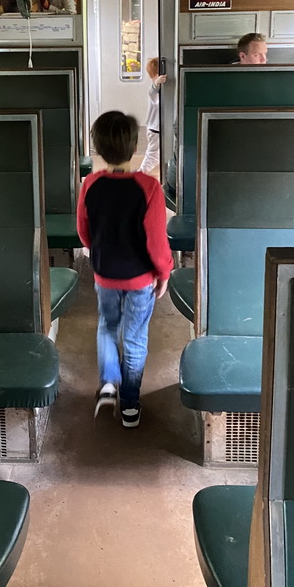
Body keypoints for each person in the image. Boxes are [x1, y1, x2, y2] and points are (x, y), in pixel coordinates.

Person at [77, 111, 173, 428]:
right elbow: (157, 241)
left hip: (105, 272)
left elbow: (84, 232)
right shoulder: (149, 187)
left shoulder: (89, 184)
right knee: (134, 337)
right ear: (135, 148)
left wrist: (100, 252)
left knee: (107, 325)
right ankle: (130, 404)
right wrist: (164, 273)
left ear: (98, 149)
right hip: (140, 278)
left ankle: (108, 382)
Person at [139, 57, 166, 174]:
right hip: (155, 130)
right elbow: (153, 92)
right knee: (152, 156)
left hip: (156, 128)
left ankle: (140, 173)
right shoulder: (154, 90)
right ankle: (140, 174)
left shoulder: (164, 90)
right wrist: (157, 83)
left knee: (155, 155)